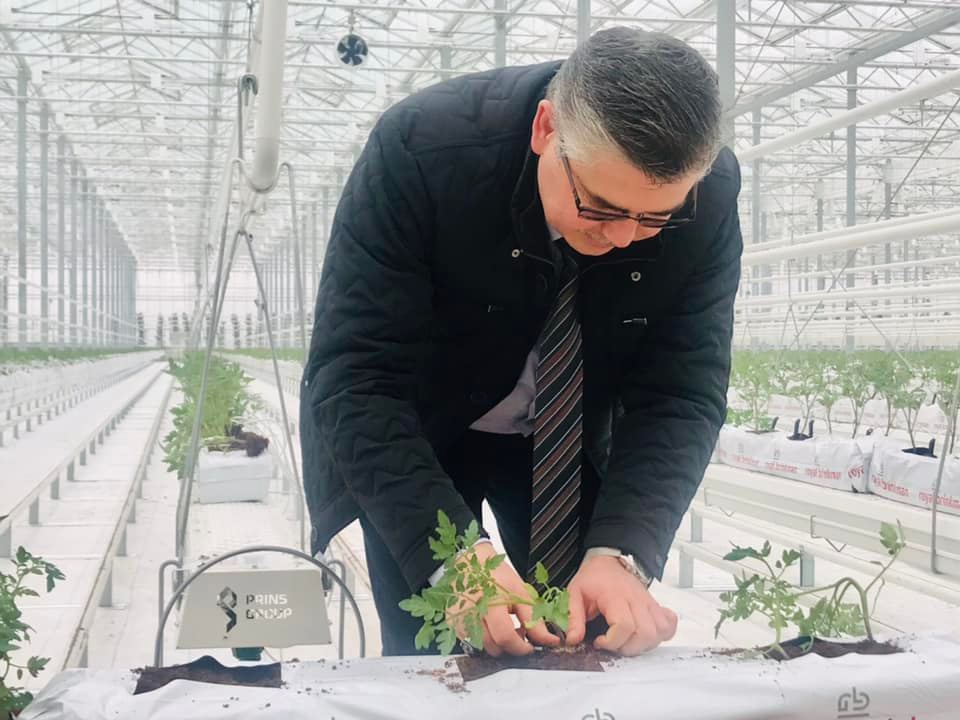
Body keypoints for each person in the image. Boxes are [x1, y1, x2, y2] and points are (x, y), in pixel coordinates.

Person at [300, 26, 743, 658]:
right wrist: (456, 563)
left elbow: (681, 391)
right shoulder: (422, 150)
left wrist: (623, 552)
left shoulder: (710, 194)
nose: (624, 238)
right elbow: (356, 378)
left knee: (586, 637)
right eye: (600, 207)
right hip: (420, 432)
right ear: (545, 129)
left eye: (654, 219)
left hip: (566, 435)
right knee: (440, 648)